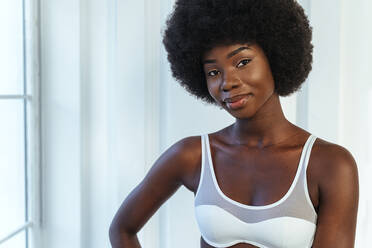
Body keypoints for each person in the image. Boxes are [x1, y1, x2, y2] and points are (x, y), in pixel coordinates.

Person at [109, 0, 359, 247]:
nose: (227, 82)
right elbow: (122, 230)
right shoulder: (193, 156)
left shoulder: (330, 165)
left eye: (242, 62)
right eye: (213, 73)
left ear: (275, 57)